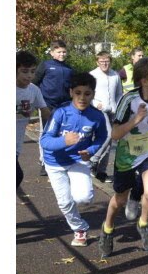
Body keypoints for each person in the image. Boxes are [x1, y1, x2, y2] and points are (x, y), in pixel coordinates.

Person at [97, 57, 148, 257]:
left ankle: (144, 223)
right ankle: (107, 228)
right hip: (127, 155)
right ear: (144, 80)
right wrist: (136, 120)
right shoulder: (129, 99)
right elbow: (115, 134)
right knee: (120, 199)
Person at [40, 72, 108, 247]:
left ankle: (76, 187)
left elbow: (102, 136)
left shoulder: (97, 116)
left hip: (78, 161)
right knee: (64, 202)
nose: (82, 98)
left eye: (87, 93)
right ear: (71, 92)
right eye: (78, 93)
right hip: (54, 163)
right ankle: (80, 229)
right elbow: (45, 141)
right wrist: (64, 140)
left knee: (83, 199)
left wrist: (91, 150)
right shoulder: (61, 112)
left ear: (93, 94)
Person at [33, 40, 73, 175]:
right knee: (47, 133)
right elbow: (35, 82)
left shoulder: (69, 69)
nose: (62, 54)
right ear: (52, 53)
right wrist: (39, 101)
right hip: (47, 104)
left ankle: (60, 160)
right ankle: (44, 162)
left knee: (61, 133)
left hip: (64, 106)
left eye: (64, 51)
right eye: (59, 52)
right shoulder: (46, 65)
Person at [17, 51, 50, 187]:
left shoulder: (34, 90)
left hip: (17, 143)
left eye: (32, 71)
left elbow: (45, 111)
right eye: (25, 71)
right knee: (17, 176)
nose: (29, 75)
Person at [89, 51, 123, 182]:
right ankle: (93, 160)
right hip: (99, 110)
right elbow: (88, 93)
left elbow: (119, 93)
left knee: (110, 142)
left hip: (113, 110)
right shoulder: (93, 75)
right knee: (108, 135)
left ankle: (101, 171)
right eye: (102, 61)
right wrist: (96, 103)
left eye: (107, 61)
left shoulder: (115, 75)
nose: (105, 63)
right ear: (97, 62)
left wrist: (119, 106)